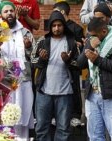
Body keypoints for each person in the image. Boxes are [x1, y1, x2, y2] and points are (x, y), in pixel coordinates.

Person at [77, 17, 112, 141]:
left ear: (104, 32)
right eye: (90, 36)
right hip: (92, 94)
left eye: (94, 35)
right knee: (94, 136)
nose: (92, 38)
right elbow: (80, 64)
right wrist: (89, 46)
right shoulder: (91, 40)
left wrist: (97, 60)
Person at [32, 10, 78, 141]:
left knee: (63, 129)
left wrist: (68, 61)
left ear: (64, 25)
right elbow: (32, 61)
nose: (56, 28)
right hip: (44, 91)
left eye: (59, 25)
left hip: (65, 92)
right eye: (54, 26)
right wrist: (41, 60)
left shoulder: (71, 42)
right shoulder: (42, 41)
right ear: (50, 27)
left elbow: (79, 65)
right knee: (41, 127)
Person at [0, 1, 35, 140]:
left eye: (11, 11)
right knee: (5, 115)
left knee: (22, 113)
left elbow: (35, 58)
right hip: (4, 82)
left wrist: (29, 47)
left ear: (16, 13)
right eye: (5, 11)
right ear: (1, 15)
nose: (9, 14)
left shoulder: (25, 32)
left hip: (23, 81)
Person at [53, 0, 84, 127]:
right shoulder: (53, 27)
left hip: (72, 65)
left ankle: (76, 115)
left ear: (61, 12)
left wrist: (78, 46)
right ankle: (55, 115)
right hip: (56, 66)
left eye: (55, 12)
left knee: (75, 89)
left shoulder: (76, 28)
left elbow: (81, 48)